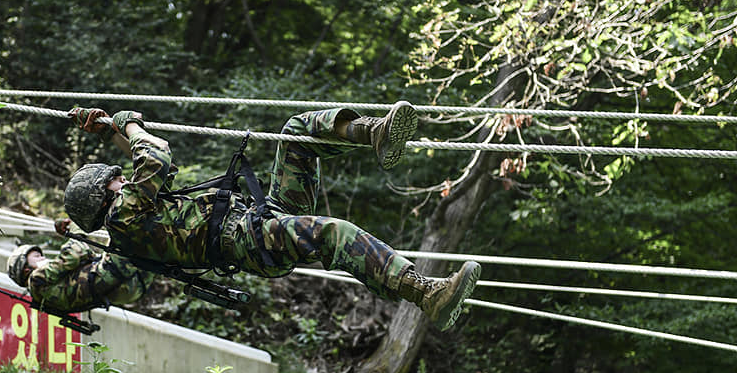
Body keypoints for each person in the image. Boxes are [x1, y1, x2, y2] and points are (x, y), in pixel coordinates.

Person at [64, 102, 480, 330]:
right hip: (251, 239)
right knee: (336, 234)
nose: (123, 180)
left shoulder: (131, 223)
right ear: (107, 193)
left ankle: (373, 131)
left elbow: (154, 172)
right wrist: (131, 126)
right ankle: (425, 292)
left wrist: (107, 130)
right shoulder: (125, 218)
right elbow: (154, 156)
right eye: (116, 180)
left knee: (295, 130)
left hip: (261, 221)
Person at [6, 218, 156, 313]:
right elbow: (75, 253)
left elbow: (85, 255)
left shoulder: (44, 292)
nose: (43, 257)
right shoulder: (36, 280)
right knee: (125, 220)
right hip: (111, 274)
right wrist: (74, 227)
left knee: (155, 239)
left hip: (127, 289)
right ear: (26, 269)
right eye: (37, 256)